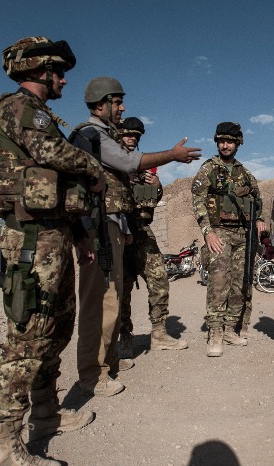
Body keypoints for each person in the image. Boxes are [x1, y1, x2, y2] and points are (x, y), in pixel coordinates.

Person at [0, 36, 105, 466]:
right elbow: (50, 152)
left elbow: (55, 181)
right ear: (39, 70)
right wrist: (93, 166)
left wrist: (80, 235)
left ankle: (46, 415)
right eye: (59, 72)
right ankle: (4, 445)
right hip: (31, 240)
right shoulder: (19, 108)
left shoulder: (38, 113)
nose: (64, 80)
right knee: (28, 338)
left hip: (55, 235)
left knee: (56, 330)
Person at [71, 77, 200, 397]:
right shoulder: (92, 135)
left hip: (120, 227)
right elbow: (127, 163)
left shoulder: (104, 138)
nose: (122, 107)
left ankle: (109, 360)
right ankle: (95, 371)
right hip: (100, 226)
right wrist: (173, 154)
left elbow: (135, 191)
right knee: (102, 301)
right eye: (117, 102)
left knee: (113, 296)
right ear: (100, 104)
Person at [191, 122, 266, 356]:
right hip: (219, 231)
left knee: (240, 282)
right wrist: (207, 231)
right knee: (219, 280)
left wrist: (259, 219)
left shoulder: (245, 174)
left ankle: (230, 328)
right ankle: (215, 332)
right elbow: (198, 200)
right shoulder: (209, 169)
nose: (225, 145)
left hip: (243, 234)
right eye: (222, 141)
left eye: (230, 142)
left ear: (238, 144)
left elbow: (257, 200)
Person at [117, 117, 188, 357]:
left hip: (141, 231)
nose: (132, 139)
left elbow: (152, 201)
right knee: (122, 288)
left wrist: (157, 185)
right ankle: (125, 337)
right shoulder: (112, 164)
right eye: (128, 134)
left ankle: (158, 334)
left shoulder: (146, 168)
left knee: (159, 280)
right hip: (118, 231)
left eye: (136, 136)